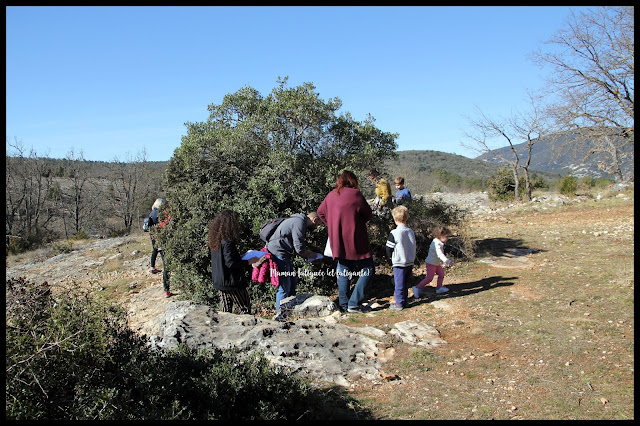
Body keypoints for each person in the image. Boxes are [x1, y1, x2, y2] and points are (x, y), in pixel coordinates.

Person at [318, 170, 375, 313]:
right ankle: (354, 303)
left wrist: (332, 225)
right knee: (368, 268)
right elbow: (368, 214)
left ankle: (344, 305)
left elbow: (320, 212)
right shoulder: (355, 194)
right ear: (353, 181)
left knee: (343, 270)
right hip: (356, 239)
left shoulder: (331, 195)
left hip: (337, 240)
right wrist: (357, 222)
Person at [266, 212, 322, 313]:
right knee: (284, 286)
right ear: (315, 219)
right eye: (318, 224)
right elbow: (299, 248)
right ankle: (281, 315)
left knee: (291, 282)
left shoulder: (297, 220)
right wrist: (311, 255)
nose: (317, 227)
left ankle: (290, 311)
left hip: (282, 253)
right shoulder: (299, 222)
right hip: (279, 253)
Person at [208, 210, 258, 314]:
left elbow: (225, 259)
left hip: (220, 281)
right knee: (245, 309)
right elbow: (230, 263)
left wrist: (239, 257)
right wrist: (248, 261)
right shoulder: (227, 242)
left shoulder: (216, 241)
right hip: (232, 282)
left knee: (225, 312)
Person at [386, 205, 416, 310]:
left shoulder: (394, 233)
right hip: (409, 260)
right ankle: (404, 301)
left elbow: (389, 248)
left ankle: (399, 304)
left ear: (395, 219)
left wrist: (391, 258)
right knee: (405, 283)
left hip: (399, 262)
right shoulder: (410, 231)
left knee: (399, 284)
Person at [413, 226, 454, 298]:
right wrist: (447, 261)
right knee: (429, 278)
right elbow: (440, 254)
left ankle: (439, 288)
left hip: (436, 263)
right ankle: (417, 288)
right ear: (440, 235)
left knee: (441, 274)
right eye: (446, 236)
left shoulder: (438, 242)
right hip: (431, 263)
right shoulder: (437, 244)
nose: (448, 238)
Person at [147, 198, 172, 298]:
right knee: (167, 266)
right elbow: (166, 226)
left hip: (155, 238)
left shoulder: (152, 213)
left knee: (156, 252)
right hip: (164, 241)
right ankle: (166, 289)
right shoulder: (161, 215)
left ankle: (167, 289)